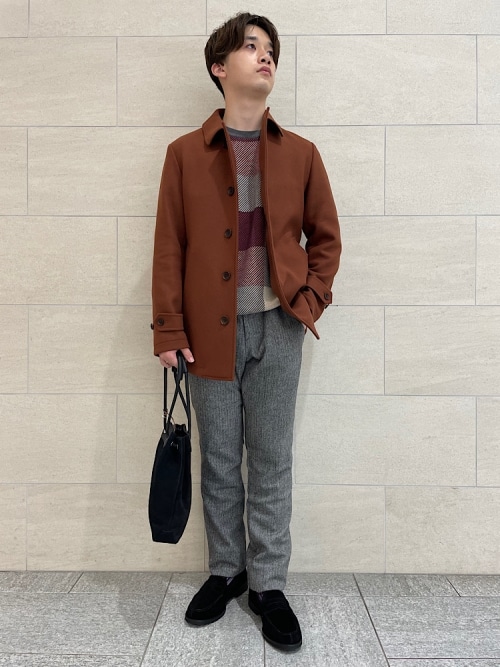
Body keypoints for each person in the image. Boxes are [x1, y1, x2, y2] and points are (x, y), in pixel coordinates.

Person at [151, 12, 341, 652]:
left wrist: (309, 300)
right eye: (251, 47)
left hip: (278, 329)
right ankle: (226, 572)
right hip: (208, 333)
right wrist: (168, 328)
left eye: (271, 51)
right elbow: (169, 248)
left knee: (272, 459)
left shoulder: (301, 154)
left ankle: (269, 585)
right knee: (220, 460)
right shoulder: (184, 155)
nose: (265, 57)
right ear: (219, 67)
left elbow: (326, 239)